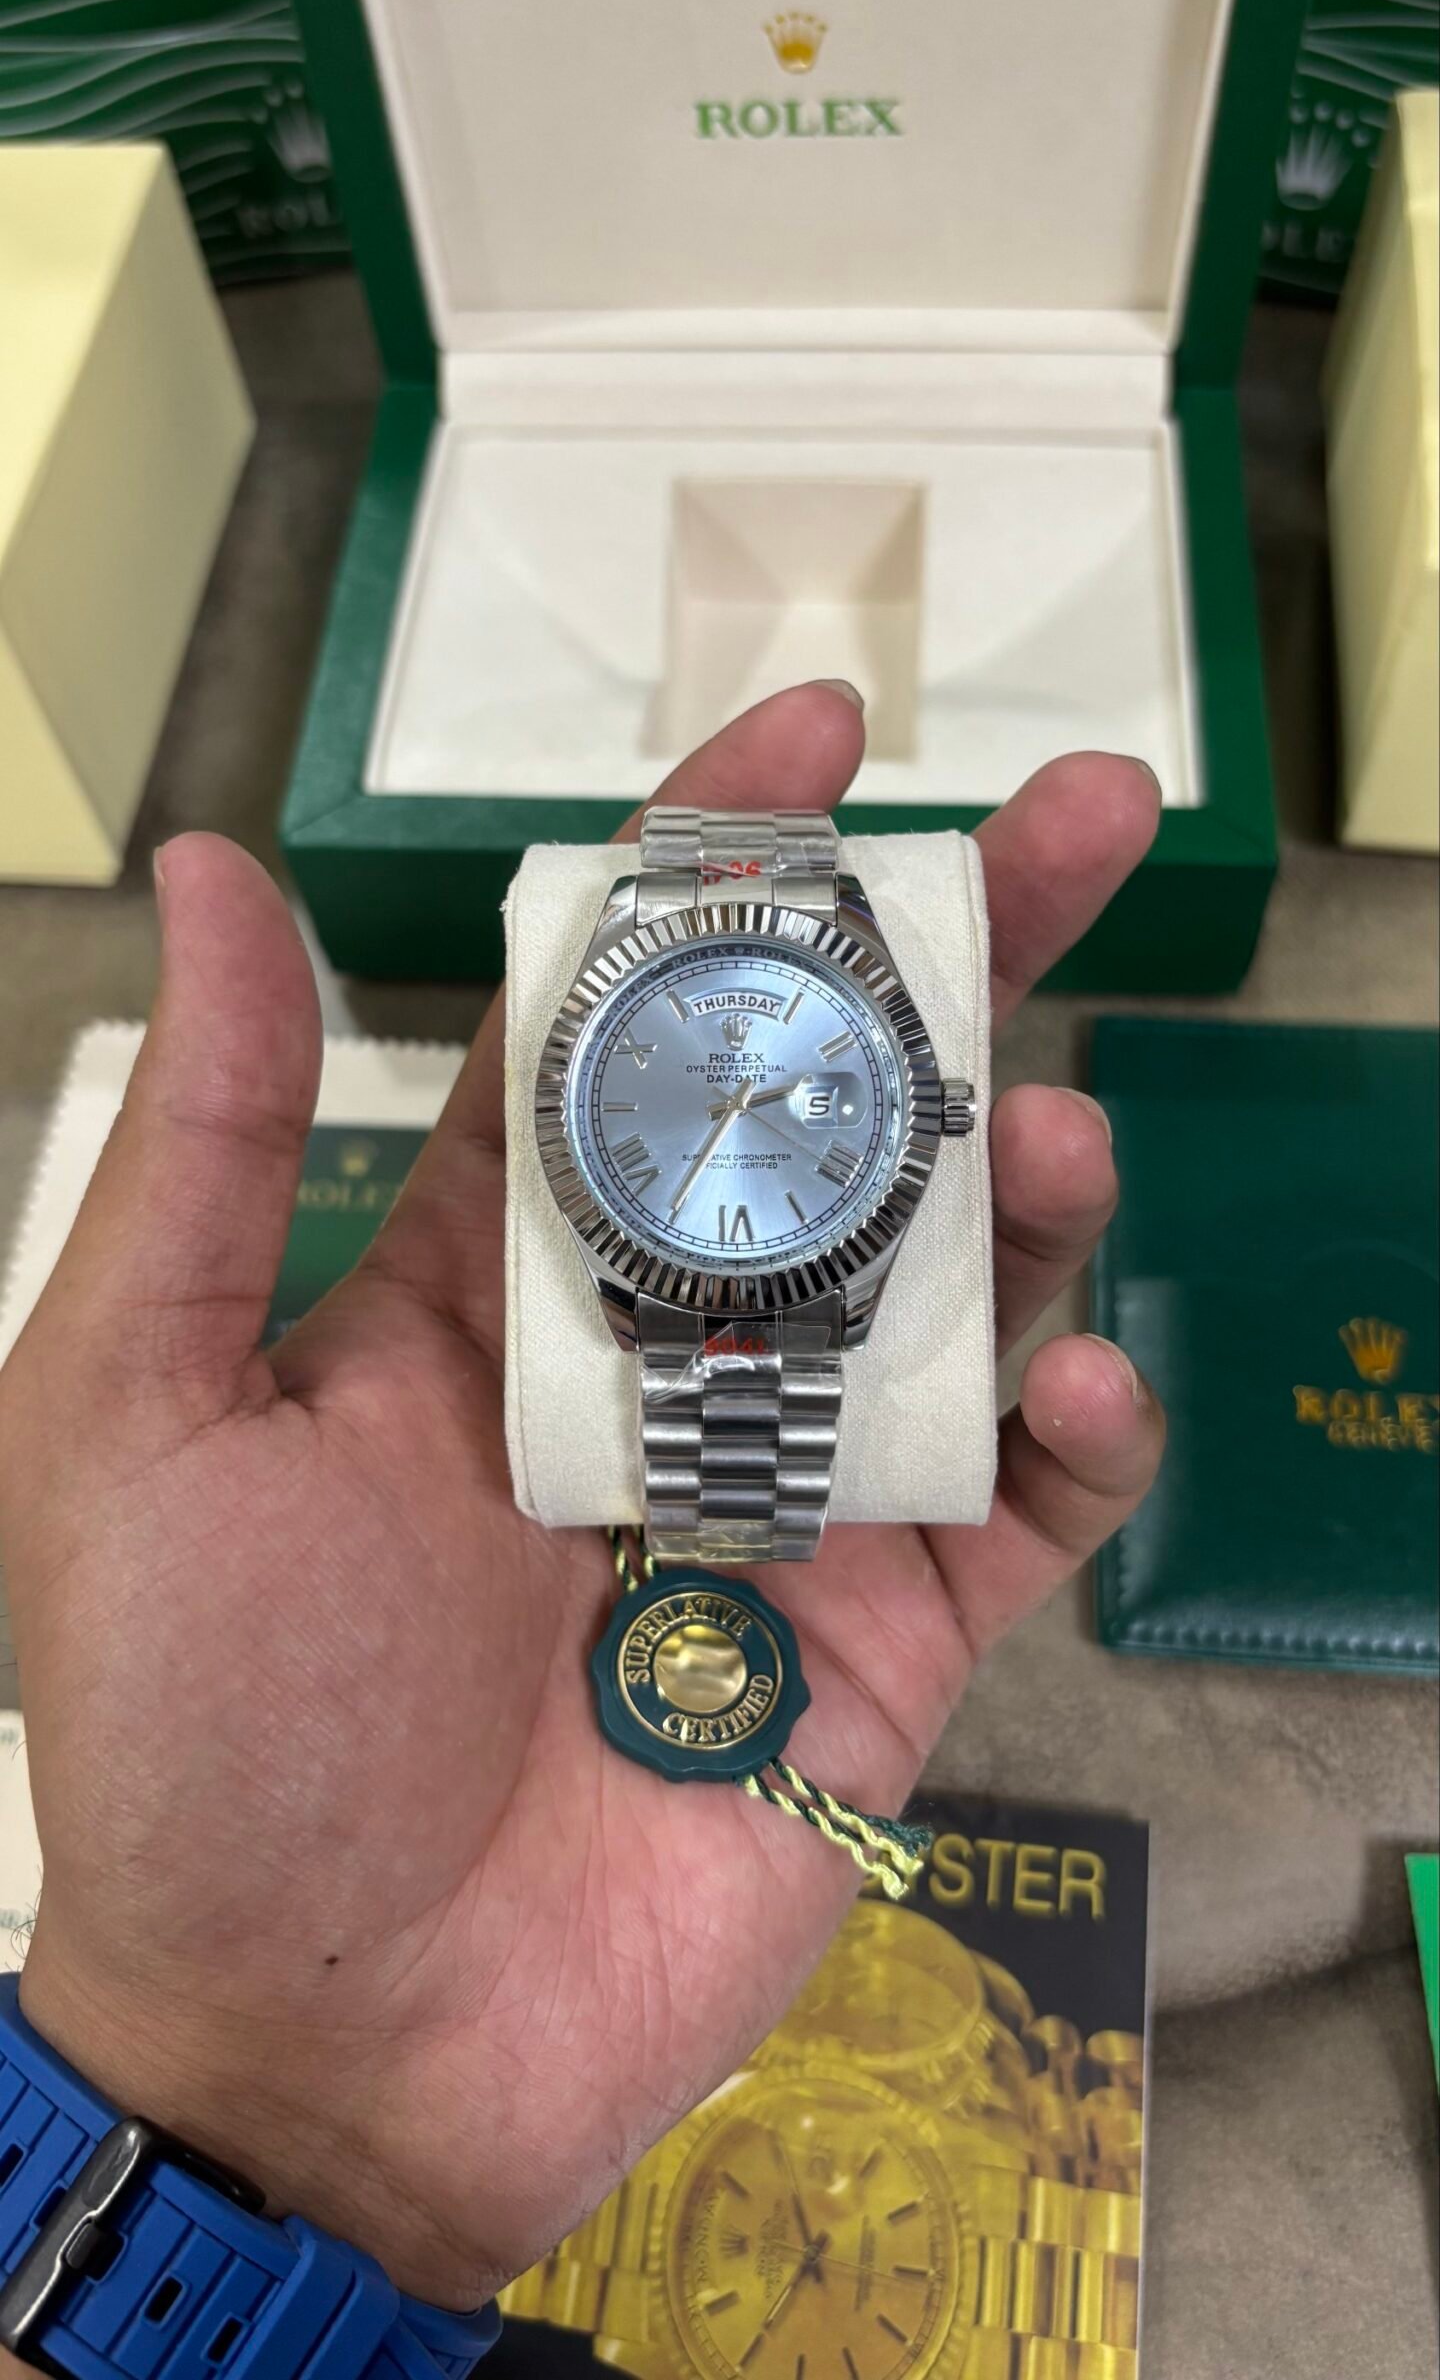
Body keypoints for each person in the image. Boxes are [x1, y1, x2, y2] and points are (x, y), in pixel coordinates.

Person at [0, 683, 1163, 2362]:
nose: (739, 1109)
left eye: (781, 1098)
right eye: (707, 1097)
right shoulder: (656, 1126)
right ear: (576, 1112)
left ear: (927, 1110)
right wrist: (237, 2079)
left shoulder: (837, 1106)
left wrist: (204, 2082)